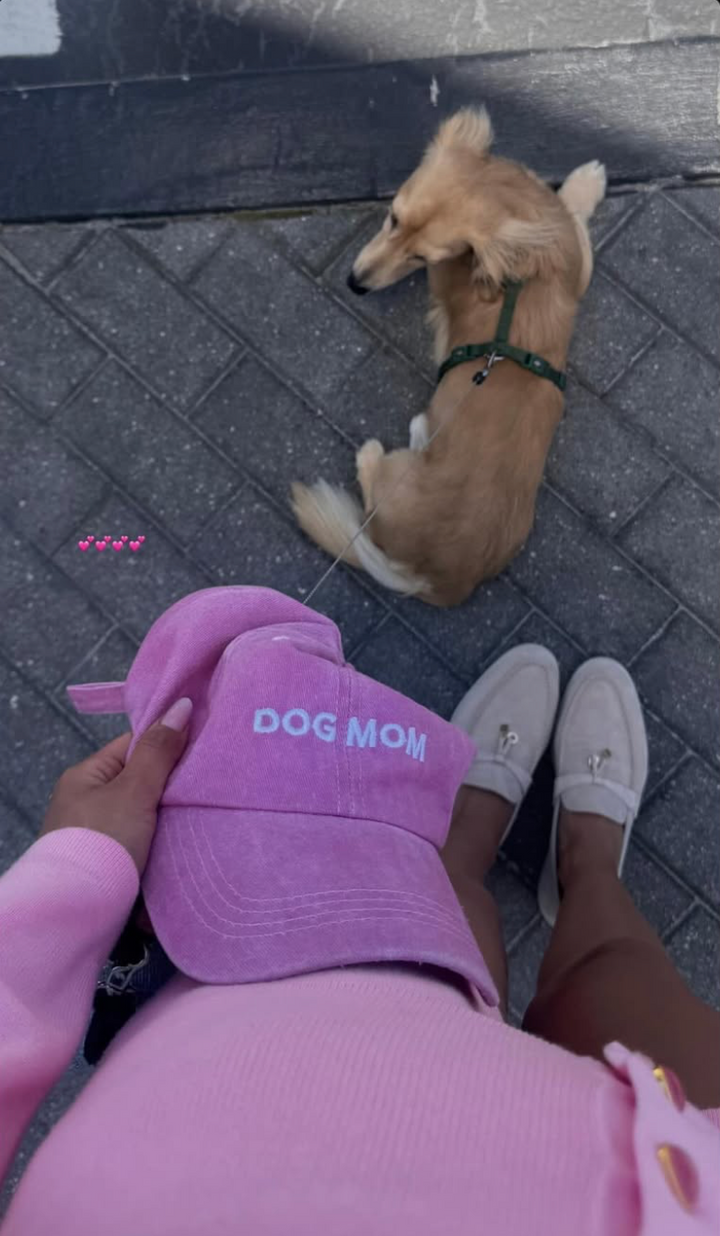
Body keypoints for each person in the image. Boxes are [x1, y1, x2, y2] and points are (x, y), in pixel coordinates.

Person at [0, 586, 718, 1236]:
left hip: (220, 1052)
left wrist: (74, 875)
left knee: (452, 902)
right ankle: (582, 863)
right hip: (680, 1179)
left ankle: (471, 841)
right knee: (612, 964)